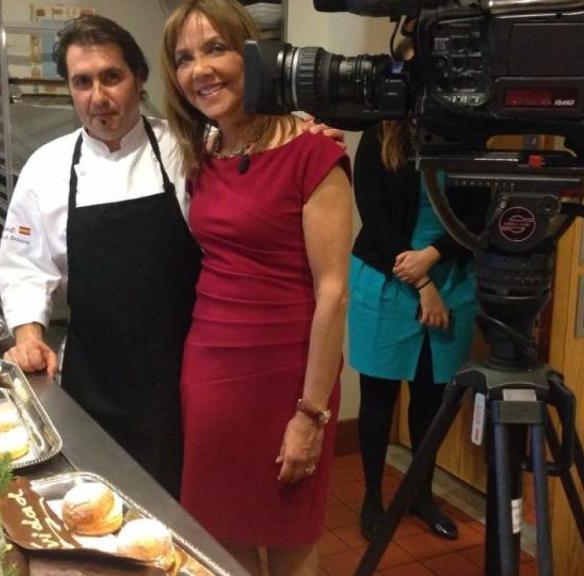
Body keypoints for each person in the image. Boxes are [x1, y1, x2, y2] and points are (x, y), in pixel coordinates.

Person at [160, 1, 352, 574]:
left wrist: (311, 416)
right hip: (210, 369)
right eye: (184, 58)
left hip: (288, 376)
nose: (201, 70)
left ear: (252, 55)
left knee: (290, 539)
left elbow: (334, 294)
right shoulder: (201, 153)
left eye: (215, 48)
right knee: (221, 538)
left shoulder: (315, 154)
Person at [0, 15, 200, 497]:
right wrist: (29, 337)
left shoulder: (185, 149)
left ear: (139, 77)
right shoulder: (46, 167)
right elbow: (25, 264)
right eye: (82, 82)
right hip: (94, 382)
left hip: (182, 378)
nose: (98, 96)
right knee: (101, 505)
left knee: (182, 513)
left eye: (112, 77)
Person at [348, 118, 487, 541]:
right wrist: (420, 277)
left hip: (452, 277)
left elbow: (478, 213)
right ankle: (372, 498)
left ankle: (420, 494)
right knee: (378, 399)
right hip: (388, 273)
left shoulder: (469, 133)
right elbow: (372, 213)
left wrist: (433, 257)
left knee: (433, 398)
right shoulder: (379, 135)